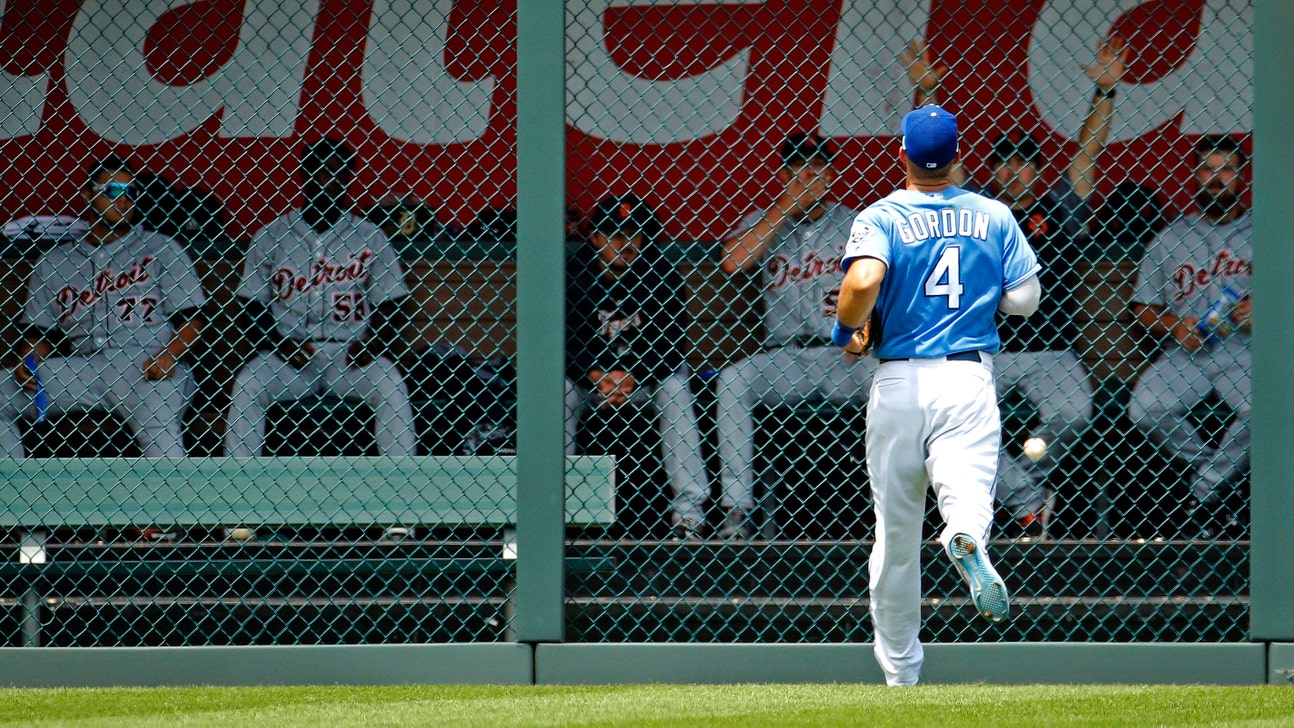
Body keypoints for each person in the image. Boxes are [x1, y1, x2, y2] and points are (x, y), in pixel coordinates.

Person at [833, 105, 1041, 686]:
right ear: (956, 158)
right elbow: (1026, 300)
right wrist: (985, 294)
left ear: (901, 155)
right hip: (966, 374)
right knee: (967, 490)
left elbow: (864, 281)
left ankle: (901, 674)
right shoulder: (994, 213)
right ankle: (962, 535)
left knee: (895, 536)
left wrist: (849, 325)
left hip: (899, 380)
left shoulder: (882, 213)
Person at [902, 35, 1129, 537]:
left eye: (1024, 161)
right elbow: (942, 161)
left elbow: (1088, 155)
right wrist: (928, 92)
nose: (1013, 170)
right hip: (984, 349)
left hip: (1052, 349)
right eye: (1004, 162)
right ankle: (1029, 501)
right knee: (951, 419)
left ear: (1038, 170)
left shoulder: (1059, 209)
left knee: (1074, 412)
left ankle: (1021, 491)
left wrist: (1106, 92)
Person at [712, 132, 873, 540]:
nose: (809, 176)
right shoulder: (764, 220)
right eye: (799, 168)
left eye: (818, 167)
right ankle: (736, 513)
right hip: (786, 358)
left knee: (909, 385)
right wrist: (786, 207)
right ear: (784, 175)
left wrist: (868, 334)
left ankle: (914, 508)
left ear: (832, 174)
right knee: (734, 381)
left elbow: (885, 283)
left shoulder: (856, 221)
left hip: (848, 353)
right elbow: (733, 262)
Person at [0, 155, 206, 457]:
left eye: (130, 193)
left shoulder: (161, 247)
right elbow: (39, 333)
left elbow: (193, 320)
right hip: (83, 368)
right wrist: (28, 362)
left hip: (146, 364)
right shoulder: (55, 262)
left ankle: (180, 501)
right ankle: (12, 490)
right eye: (112, 191)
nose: (123, 201)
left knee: (159, 432)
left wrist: (168, 356)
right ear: (89, 195)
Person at [225, 139, 416, 456]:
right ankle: (237, 484)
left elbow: (393, 302)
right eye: (320, 172)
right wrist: (277, 342)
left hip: (350, 356)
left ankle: (403, 486)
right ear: (304, 175)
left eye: (337, 173)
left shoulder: (370, 235)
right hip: (290, 355)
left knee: (392, 387)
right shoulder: (273, 234)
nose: (329, 180)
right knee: (247, 386)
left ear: (347, 179)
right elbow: (250, 304)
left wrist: (374, 343)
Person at [1127, 135, 1251, 539]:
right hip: (1186, 354)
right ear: (1194, 177)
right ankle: (1215, 483)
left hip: (1245, 351)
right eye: (1207, 169)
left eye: (1226, 169)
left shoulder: (1265, 230)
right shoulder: (1169, 237)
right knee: (1144, 410)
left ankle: (1202, 494)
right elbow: (1142, 307)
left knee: (1264, 411)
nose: (1217, 178)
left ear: (1241, 177)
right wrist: (1175, 326)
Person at [565, 194, 709, 540]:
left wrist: (634, 375)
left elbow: (673, 345)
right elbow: (560, 341)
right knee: (559, 393)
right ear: (596, 237)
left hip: (645, 381)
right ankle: (556, 507)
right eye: (614, 234)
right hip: (590, 382)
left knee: (675, 388)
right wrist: (595, 374)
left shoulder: (661, 273)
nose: (624, 243)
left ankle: (689, 515)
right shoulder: (573, 273)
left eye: (632, 234)